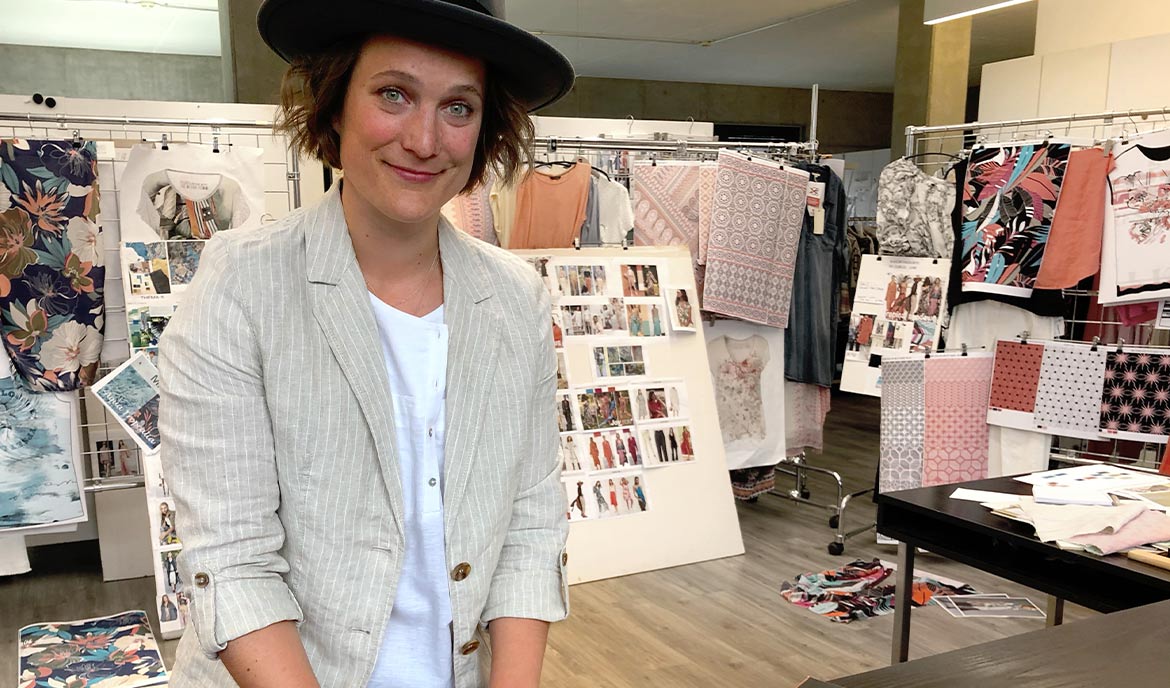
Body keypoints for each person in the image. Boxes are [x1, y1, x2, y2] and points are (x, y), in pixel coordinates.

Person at [157, 1, 576, 685]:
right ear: (334, 106)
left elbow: (530, 527)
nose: (424, 140)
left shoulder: (514, 298)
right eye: (393, 94)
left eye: (459, 107)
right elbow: (234, 559)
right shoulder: (244, 285)